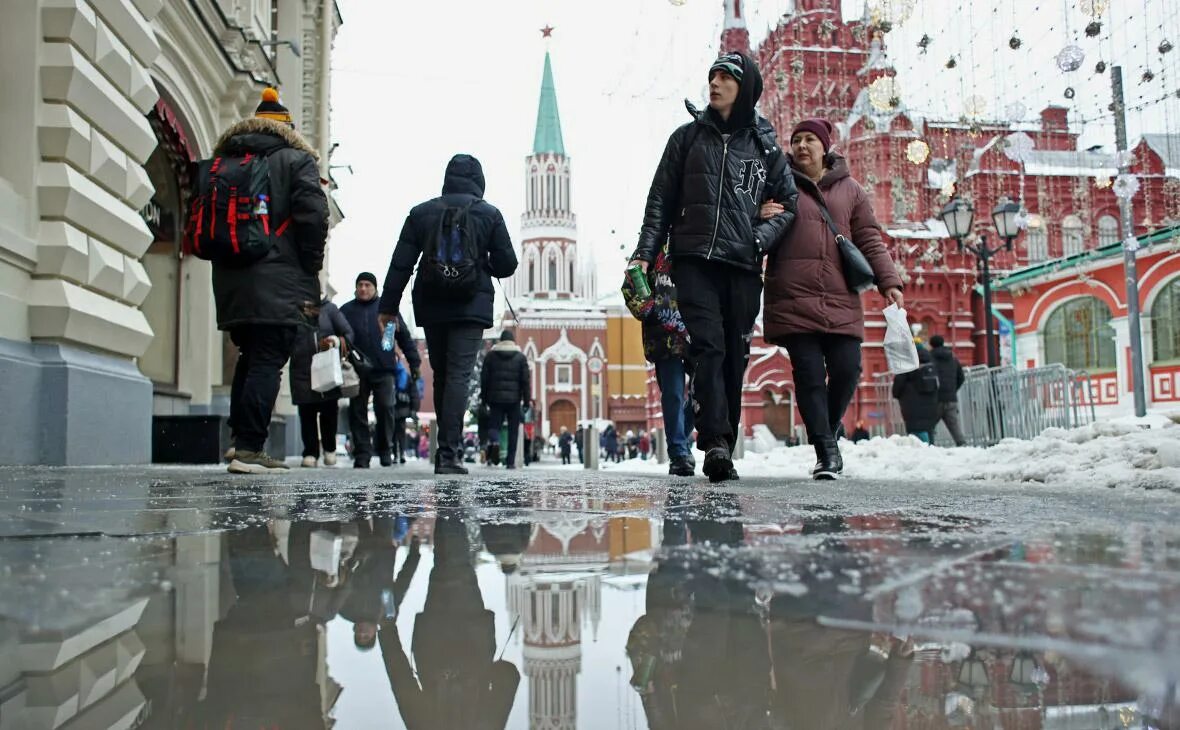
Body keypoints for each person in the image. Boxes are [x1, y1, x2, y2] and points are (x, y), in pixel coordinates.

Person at [630, 52, 798, 483]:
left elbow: (789, 206)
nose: (716, 83)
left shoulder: (766, 148)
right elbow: (659, 203)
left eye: (726, 77)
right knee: (707, 348)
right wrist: (644, 254)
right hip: (694, 260)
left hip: (742, 265)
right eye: (712, 76)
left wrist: (759, 236)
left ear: (746, 89)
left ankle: (724, 434)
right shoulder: (686, 140)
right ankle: (716, 444)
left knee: (734, 356)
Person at [760, 117, 904, 480]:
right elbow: (752, 223)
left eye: (810, 139)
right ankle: (826, 450)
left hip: (840, 295)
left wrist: (890, 281)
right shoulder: (777, 182)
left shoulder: (851, 189)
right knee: (808, 375)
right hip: (792, 295)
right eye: (796, 140)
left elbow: (869, 237)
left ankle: (827, 428)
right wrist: (757, 213)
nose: (802, 146)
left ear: (826, 147)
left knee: (847, 368)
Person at [211, 89, 329, 474]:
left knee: (249, 356)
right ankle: (248, 450)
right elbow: (313, 218)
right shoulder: (296, 161)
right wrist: (310, 266)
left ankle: (238, 442)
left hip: (231, 277)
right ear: (287, 128)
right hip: (279, 276)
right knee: (268, 357)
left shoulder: (227, 158)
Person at [377, 154, 518, 475]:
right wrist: (483, 264)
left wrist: (387, 307)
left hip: (432, 303)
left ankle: (447, 450)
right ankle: (449, 454)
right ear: (479, 181)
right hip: (471, 305)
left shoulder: (421, 213)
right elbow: (508, 264)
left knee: (442, 374)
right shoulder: (489, 214)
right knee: (458, 375)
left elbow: (401, 263)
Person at [622, 240, 695, 476]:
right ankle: (679, 452)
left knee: (704, 389)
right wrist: (652, 310)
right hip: (664, 335)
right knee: (673, 393)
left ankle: (681, 438)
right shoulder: (649, 248)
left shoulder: (695, 241)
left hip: (696, 331)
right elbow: (630, 285)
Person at [341, 274, 420, 468]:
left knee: (385, 408)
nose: (363, 288)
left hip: (384, 368)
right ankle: (362, 453)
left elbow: (404, 338)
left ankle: (385, 450)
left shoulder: (386, 310)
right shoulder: (346, 310)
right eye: (360, 285)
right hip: (357, 368)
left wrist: (414, 363)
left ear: (375, 288)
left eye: (367, 285)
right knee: (357, 411)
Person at [289, 294, 353, 467]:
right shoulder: (293, 309)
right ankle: (310, 452)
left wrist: (334, 341)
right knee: (306, 411)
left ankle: (329, 450)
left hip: (327, 368)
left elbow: (348, 334)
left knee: (329, 412)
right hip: (302, 369)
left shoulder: (330, 309)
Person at [480, 330, 530, 469]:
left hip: (495, 399)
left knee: (494, 426)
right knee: (513, 431)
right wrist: (526, 401)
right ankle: (510, 462)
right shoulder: (520, 357)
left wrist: (484, 399)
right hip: (514, 400)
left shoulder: (491, 356)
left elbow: (484, 379)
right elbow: (525, 381)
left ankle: (494, 445)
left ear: (500, 341)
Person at [892, 346, 941, 444]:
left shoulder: (906, 366)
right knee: (929, 434)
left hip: (912, 410)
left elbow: (897, 387)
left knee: (917, 441)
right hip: (931, 410)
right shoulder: (932, 367)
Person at [928, 335, 968, 446]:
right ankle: (962, 444)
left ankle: (929, 447)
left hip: (935, 398)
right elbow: (961, 377)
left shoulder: (929, 358)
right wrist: (952, 390)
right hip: (951, 398)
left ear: (931, 344)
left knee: (929, 425)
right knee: (954, 425)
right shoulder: (953, 359)